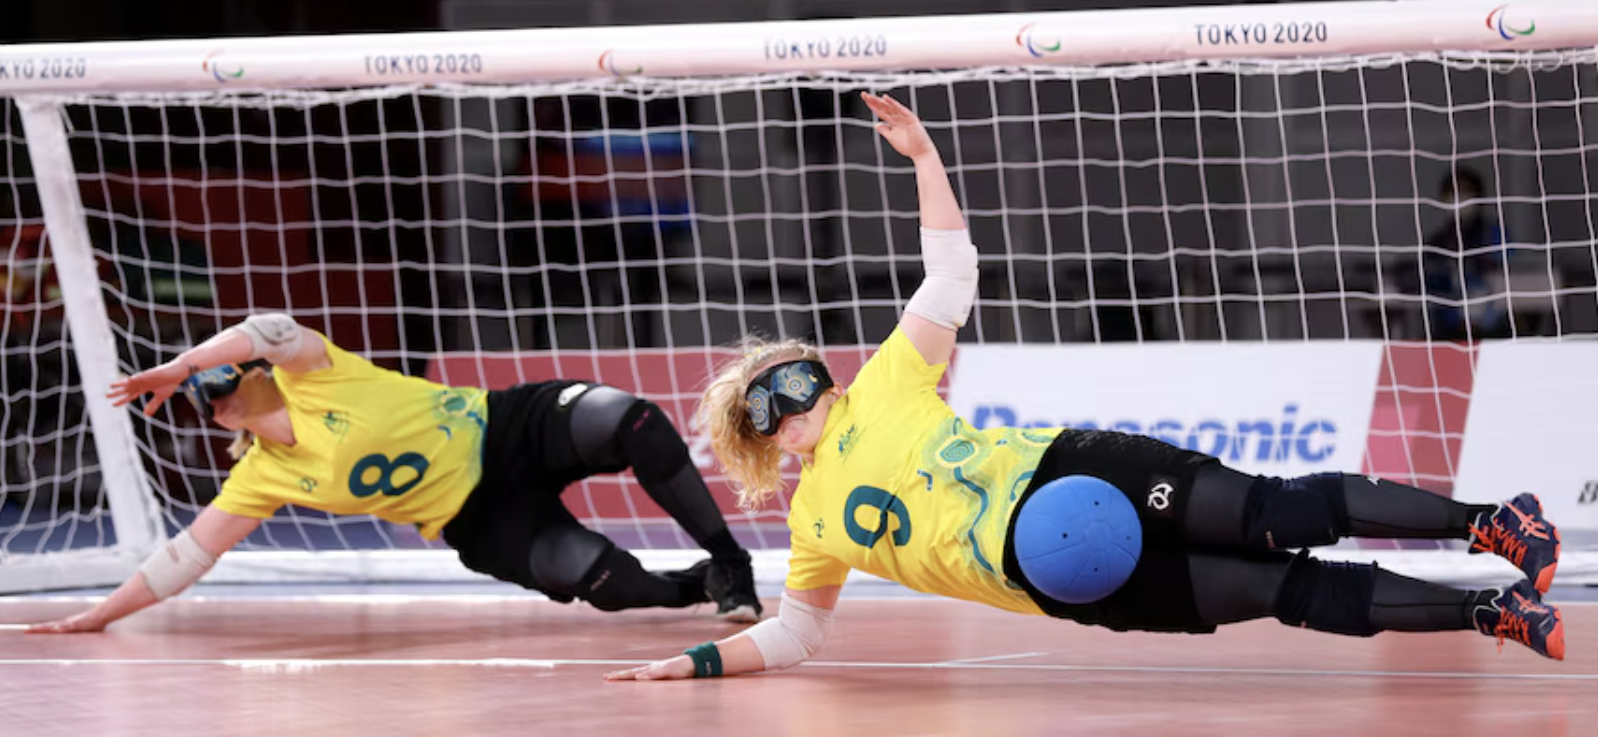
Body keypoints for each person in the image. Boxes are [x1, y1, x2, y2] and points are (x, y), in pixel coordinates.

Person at [606, 91, 1564, 683]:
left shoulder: (882, 384)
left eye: (804, 370)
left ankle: (1491, 521)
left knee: (1278, 509)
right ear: (763, 440)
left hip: (1073, 471)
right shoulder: (810, 525)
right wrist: (695, 663)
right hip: (1059, 576)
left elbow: (950, 277)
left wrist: (928, 163)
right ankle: (1494, 613)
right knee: (1286, 591)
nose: (808, 389)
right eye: (777, 396)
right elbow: (799, 637)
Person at [25, 315, 762, 633]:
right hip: (477, 518)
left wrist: (184, 362)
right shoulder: (261, 477)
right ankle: (695, 586)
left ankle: (731, 565)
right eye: (201, 394)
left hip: (504, 426)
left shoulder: (314, 373)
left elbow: (271, 329)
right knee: (609, 584)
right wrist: (98, 614)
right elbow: (184, 558)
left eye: (218, 375)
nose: (208, 392)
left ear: (249, 372)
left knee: (627, 417)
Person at [1423, 167, 1512, 341]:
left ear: (1478, 196)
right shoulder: (1436, 242)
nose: (1459, 198)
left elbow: (1512, 276)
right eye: (1453, 192)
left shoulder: (1495, 234)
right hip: (1448, 331)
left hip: (1494, 328)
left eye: (1465, 191)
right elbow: (1432, 287)